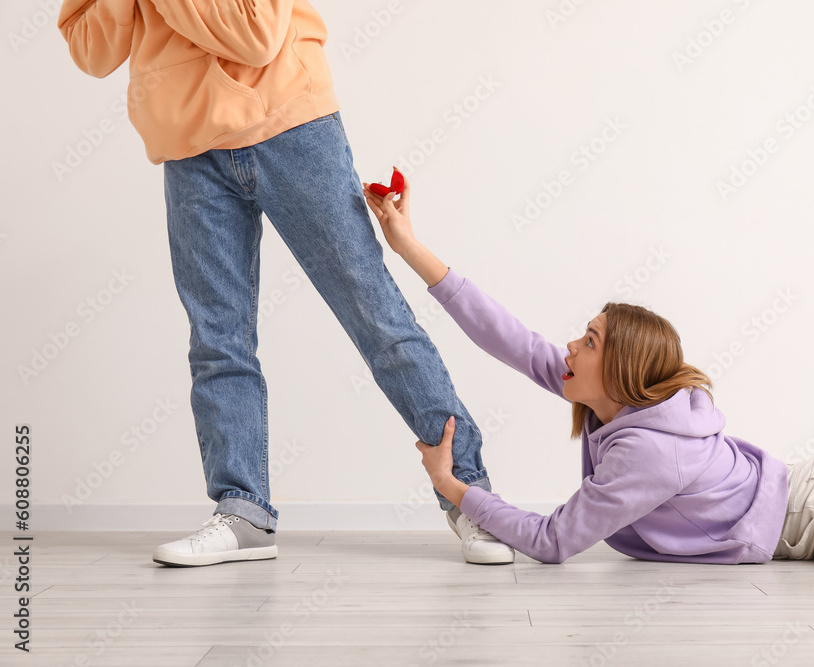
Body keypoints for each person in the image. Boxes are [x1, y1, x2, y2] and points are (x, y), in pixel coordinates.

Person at [362, 172, 814, 578]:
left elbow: (554, 542)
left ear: (621, 371)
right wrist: (409, 245)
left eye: (589, 341)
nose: (567, 348)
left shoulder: (647, 451)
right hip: (811, 501)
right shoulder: (618, 408)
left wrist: (453, 486)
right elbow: (502, 332)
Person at [57, 0, 513, 566]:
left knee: (376, 315)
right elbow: (91, 51)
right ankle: (242, 509)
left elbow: (257, 36)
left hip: (294, 127)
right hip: (188, 147)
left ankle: (472, 494)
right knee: (216, 339)